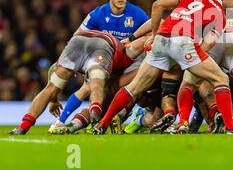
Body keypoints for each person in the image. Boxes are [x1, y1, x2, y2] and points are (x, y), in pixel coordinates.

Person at [93, 0, 233, 134]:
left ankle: (102, 123)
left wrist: (155, 36)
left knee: (134, 87)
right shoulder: (220, 15)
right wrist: (188, 62)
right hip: (183, 42)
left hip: (162, 39)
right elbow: (206, 46)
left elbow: (157, 5)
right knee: (221, 79)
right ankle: (231, 128)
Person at [48, 0, 150, 133]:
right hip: (104, 60)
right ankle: (61, 122)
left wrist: (134, 40)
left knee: (129, 89)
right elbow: (77, 37)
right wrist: (69, 60)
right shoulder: (97, 14)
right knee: (87, 88)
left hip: (128, 62)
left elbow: (152, 31)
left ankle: (113, 119)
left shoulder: (137, 13)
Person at [10, 29, 144, 135]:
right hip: (103, 44)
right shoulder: (126, 53)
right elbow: (143, 43)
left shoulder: (125, 49)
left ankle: (23, 126)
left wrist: (54, 99)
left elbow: (52, 69)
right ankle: (95, 110)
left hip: (77, 40)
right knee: (97, 81)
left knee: (51, 88)